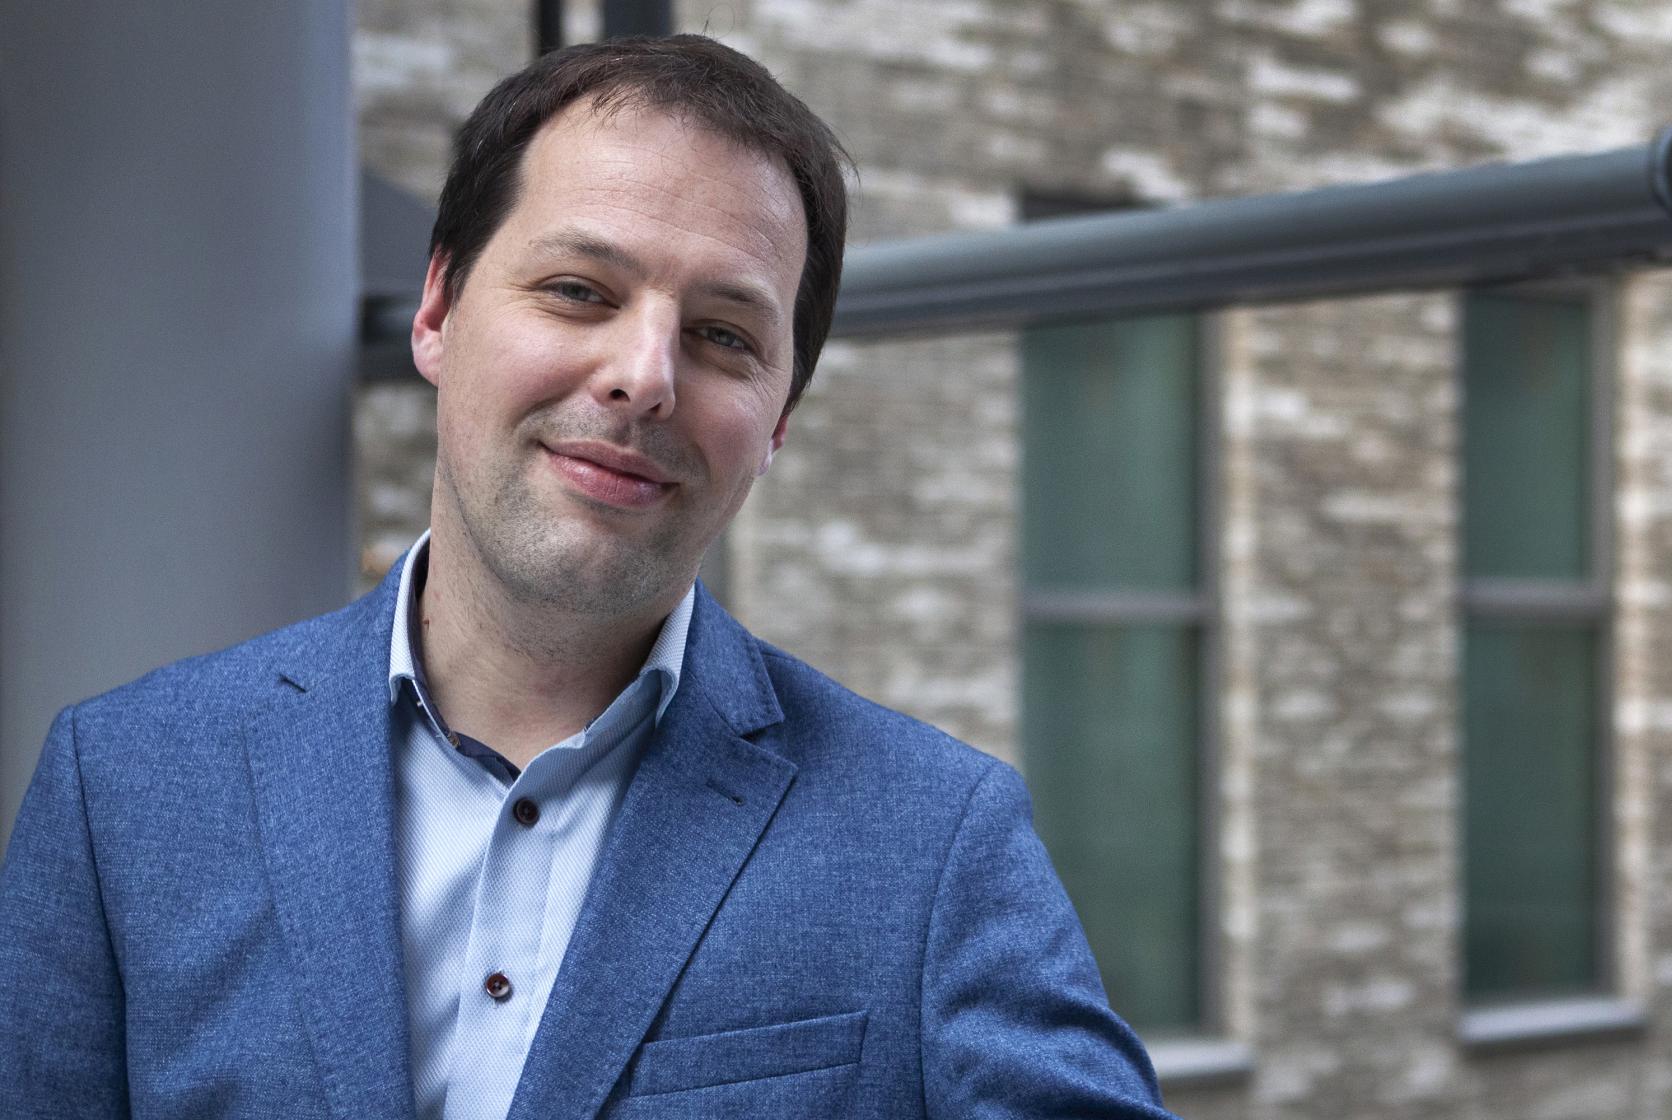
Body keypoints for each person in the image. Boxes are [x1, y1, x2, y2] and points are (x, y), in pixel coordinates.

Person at [0, 34, 1176, 1120]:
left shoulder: (935, 840)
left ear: (778, 421)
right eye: (579, 291)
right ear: (437, 310)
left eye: (724, 335)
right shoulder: (122, 791)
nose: (644, 376)